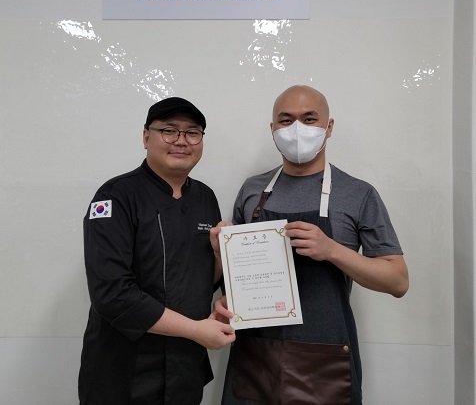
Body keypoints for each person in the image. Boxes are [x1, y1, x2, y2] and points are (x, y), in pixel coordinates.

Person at [211, 85, 408, 405]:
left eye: (309, 119)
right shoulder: (252, 190)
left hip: (325, 360)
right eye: (286, 120)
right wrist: (223, 262)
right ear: (273, 129)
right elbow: (237, 280)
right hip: (256, 360)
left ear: (329, 127)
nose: (297, 129)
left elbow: (398, 281)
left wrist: (332, 250)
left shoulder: (358, 194)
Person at [78, 97, 235, 405]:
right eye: (169, 130)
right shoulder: (115, 196)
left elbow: (202, 282)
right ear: (146, 137)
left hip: (184, 368)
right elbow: (111, 294)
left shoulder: (205, 197)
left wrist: (218, 255)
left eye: (192, 133)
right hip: (124, 370)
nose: (181, 140)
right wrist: (195, 331)